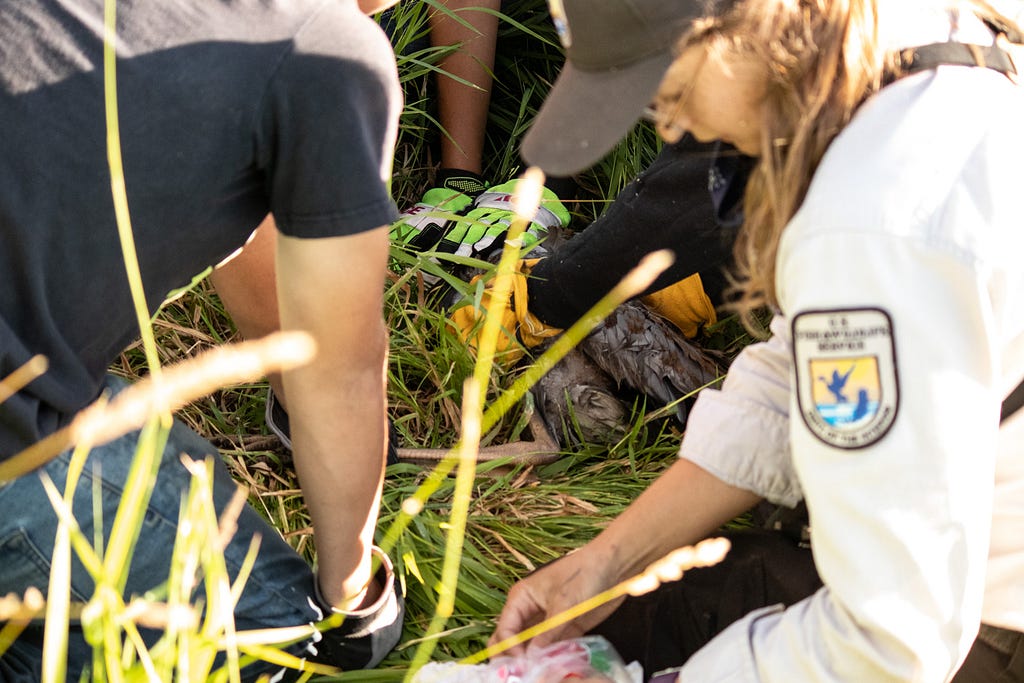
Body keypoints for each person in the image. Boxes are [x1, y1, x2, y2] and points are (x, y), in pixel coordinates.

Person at [492, 1, 1024, 682]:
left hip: (987, 622)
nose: (676, 126)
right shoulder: (925, 44)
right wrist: (607, 563)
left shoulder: (868, 225)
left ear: (747, 29)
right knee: (665, 605)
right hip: (965, 568)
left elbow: (891, 639)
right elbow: (801, 371)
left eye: (673, 93)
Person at [0, 0, 406, 680]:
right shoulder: (327, 51)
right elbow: (335, 362)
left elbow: (267, 296)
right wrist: (353, 594)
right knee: (281, 633)